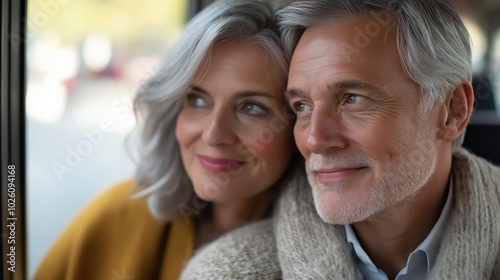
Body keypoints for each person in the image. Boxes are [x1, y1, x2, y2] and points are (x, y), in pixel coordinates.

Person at [180, 0, 500, 279]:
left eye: (352, 98)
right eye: (301, 107)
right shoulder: (224, 272)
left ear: (452, 111)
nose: (316, 139)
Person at [33, 1, 300, 279]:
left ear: (297, 125)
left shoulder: (327, 256)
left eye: (252, 107)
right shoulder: (113, 218)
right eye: (197, 100)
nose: (213, 134)